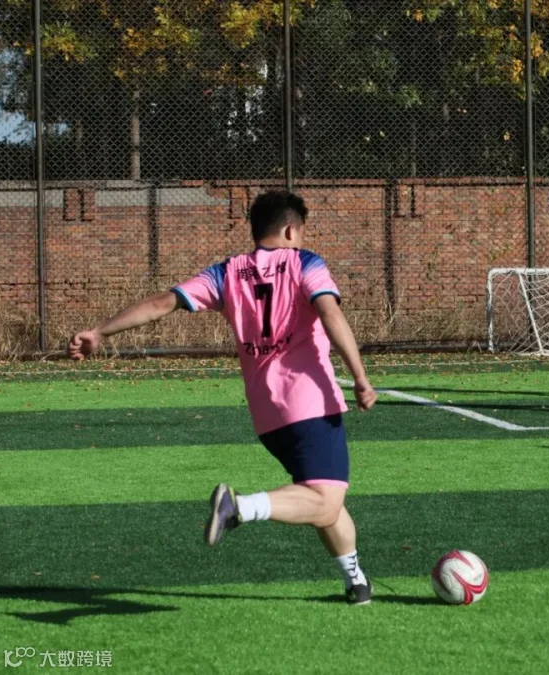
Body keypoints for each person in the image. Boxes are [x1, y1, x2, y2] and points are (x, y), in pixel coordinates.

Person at [67, 190, 378, 605]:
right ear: (291, 230)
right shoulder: (305, 262)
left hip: (268, 415)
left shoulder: (227, 272)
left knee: (318, 494)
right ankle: (239, 508)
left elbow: (162, 303)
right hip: (311, 403)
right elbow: (330, 312)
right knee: (324, 503)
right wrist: (360, 376)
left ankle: (356, 581)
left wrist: (100, 331)